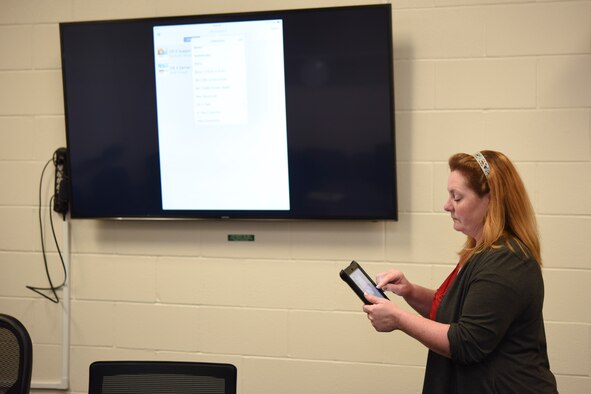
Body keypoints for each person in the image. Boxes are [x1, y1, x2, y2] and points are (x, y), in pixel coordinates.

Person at [363, 150, 558, 393]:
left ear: (491, 201)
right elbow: (458, 311)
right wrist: (409, 291)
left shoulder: (507, 261)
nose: (447, 206)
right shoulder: (482, 251)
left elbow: (466, 342)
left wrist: (399, 319)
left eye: (457, 197)